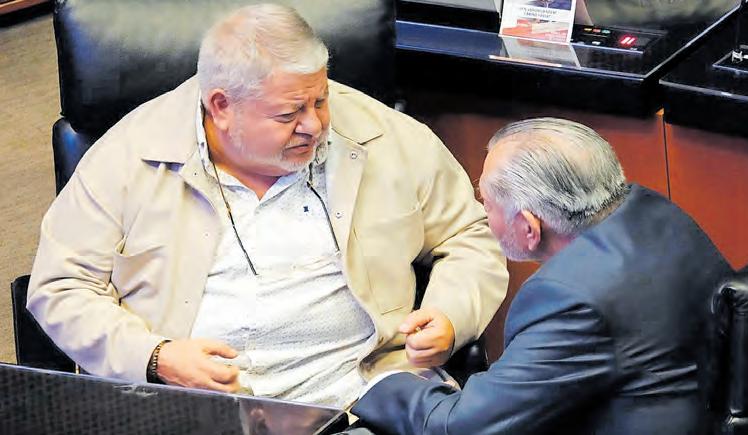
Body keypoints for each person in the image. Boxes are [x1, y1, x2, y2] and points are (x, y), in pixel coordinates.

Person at [26, 4, 508, 409]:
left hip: (365, 394)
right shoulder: (128, 157)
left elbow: (469, 235)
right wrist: (156, 356)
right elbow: (61, 287)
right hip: (195, 406)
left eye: (320, 100)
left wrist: (450, 314)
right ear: (221, 106)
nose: (314, 125)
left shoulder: (382, 134)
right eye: (289, 113)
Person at [352, 118, 732, 434]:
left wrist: (380, 384)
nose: (483, 214)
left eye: (487, 203)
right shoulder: (656, 211)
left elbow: (462, 427)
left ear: (529, 227)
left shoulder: (570, 298)